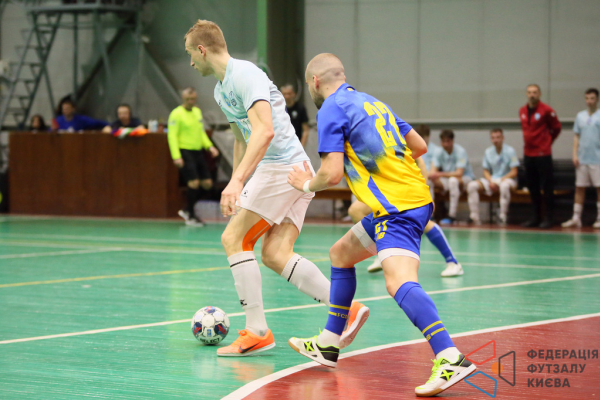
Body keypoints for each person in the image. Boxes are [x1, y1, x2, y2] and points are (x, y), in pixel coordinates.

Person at [287, 53, 475, 397]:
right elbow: (418, 146)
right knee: (340, 254)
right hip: (410, 198)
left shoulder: (330, 108)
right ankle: (329, 343)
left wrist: (304, 183)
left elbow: (331, 173)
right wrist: (387, 171)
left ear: (314, 81)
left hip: (397, 208)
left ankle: (450, 357)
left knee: (398, 282)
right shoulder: (374, 103)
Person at [184, 20, 368, 357]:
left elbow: (264, 131)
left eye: (190, 54)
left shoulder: (245, 74)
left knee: (234, 239)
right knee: (274, 254)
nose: (190, 63)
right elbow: (242, 139)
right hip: (291, 170)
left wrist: (238, 181)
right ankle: (347, 309)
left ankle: (257, 331)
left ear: (202, 49)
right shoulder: (221, 90)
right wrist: (237, 180)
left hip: (282, 167)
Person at [349, 124, 464, 277]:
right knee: (355, 210)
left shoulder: (394, 138)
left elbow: (420, 163)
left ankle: (453, 262)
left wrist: (425, 192)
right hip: (386, 190)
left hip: (407, 188)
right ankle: (381, 253)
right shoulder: (365, 144)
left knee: (424, 223)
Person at [168, 87, 220, 226]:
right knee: (193, 183)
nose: (191, 101)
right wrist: (176, 156)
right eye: (188, 99)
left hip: (198, 152)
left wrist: (210, 146)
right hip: (184, 151)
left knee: (207, 184)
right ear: (183, 99)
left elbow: (201, 132)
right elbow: (172, 136)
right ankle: (191, 216)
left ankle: (187, 209)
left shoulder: (197, 112)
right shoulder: (176, 114)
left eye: (193, 99)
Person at [519, 84, 561, 229]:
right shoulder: (522, 111)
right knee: (533, 187)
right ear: (526, 94)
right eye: (529, 92)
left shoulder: (547, 110)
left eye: (535, 92)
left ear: (539, 94)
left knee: (547, 187)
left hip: (543, 154)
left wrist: (547, 142)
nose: (532, 95)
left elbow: (556, 128)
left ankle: (549, 218)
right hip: (528, 154)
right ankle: (536, 217)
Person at [562, 88, 600, 229]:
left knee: (599, 188)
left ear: (597, 99)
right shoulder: (580, 116)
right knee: (579, 187)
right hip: (582, 158)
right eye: (587, 98)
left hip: (597, 159)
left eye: (592, 98)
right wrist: (574, 154)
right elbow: (576, 136)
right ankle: (576, 217)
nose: (589, 101)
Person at [467, 129, 519, 226]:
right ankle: (474, 216)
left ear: (502, 138)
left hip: (508, 180)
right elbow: (485, 171)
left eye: (498, 137)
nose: (495, 140)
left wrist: (500, 181)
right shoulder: (488, 151)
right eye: (493, 138)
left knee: (504, 186)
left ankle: (502, 216)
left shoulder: (510, 151)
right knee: (472, 186)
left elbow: (514, 172)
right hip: (493, 179)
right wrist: (491, 180)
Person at [429, 130, 475, 224]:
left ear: (452, 141)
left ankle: (452, 215)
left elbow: (459, 173)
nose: (446, 144)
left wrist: (439, 174)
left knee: (453, 181)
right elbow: (433, 170)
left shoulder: (460, 151)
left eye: (448, 141)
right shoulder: (438, 151)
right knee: (429, 181)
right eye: (443, 141)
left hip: (465, 178)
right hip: (447, 179)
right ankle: (430, 214)